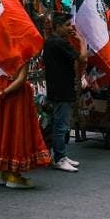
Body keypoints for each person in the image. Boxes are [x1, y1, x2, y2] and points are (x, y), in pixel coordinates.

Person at [0, 60, 52, 189]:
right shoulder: (22, 48)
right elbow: (21, 78)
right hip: (16, 93)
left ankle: (5, 171)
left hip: (0, 87)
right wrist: (4, 92)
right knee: (17, 129)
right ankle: (13, 174)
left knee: (3, 128)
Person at [42, 13, 85, 172]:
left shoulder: (52, 42)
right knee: (60, 125)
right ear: (57, 26)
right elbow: (83, 58)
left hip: (58, 87)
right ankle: (59, 157)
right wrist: (82, 41)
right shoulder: (58, 43)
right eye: (66, 25)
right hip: (61, 88)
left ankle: (61, 155)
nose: (69, 28)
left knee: (60, 123)